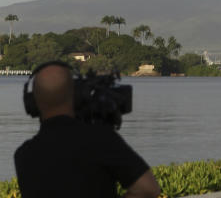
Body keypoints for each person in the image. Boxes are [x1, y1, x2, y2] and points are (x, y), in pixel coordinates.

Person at [15, 61, 161, 198]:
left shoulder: (23, 155)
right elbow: (148, 188)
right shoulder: (100, 140)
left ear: (31, 104)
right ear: (77, 96)